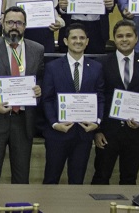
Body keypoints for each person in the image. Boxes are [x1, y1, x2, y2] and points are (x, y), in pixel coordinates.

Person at [0, 6, 45, 184]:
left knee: (22, 178)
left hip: (24, 122)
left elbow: (41, 80)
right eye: (10, 22)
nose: (14, 26)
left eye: (19, 23)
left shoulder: (37, 49)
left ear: (25, 26)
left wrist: (39, 89)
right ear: (2, 23)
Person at [92, 19, 139, 185]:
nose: (124, 39)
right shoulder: (101, 64)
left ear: (136, 38)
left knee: (129, 179)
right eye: (120, 36)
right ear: (114, 39)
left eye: (128, 35)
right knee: (101, 177)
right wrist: (97, 130)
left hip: (136, 134)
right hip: (107, 133)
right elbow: (96, 97)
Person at [41, 23, 105, 184]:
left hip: (83, 134)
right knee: (51, 179)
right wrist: (55, 124)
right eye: (74, 38)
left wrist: (97, 122)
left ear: (87, 41)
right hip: (57, 133)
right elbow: (47, 98)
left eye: (82, 38)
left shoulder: (96, 67)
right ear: (65, 41)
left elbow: (100, 97)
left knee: (77, 181)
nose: (78, 41)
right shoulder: (52, 67)